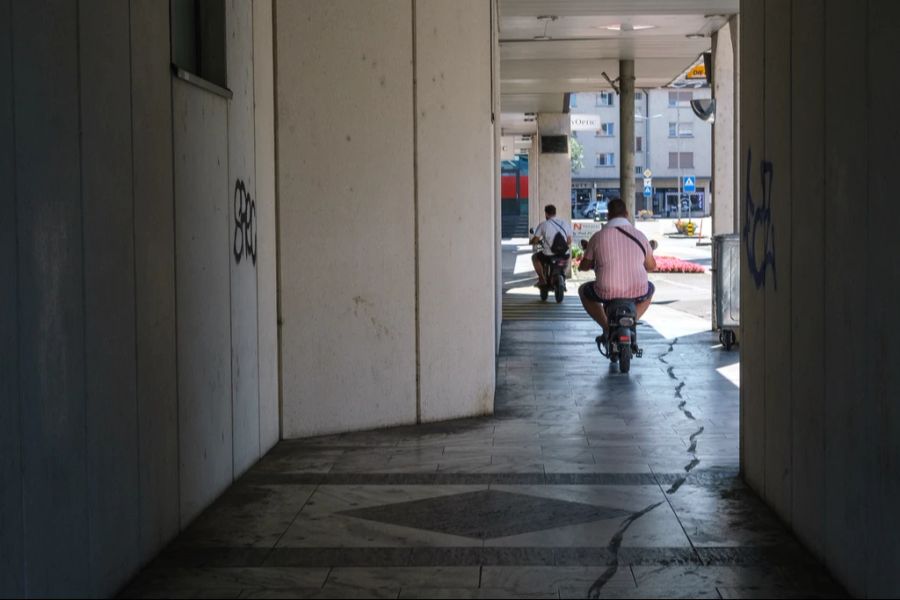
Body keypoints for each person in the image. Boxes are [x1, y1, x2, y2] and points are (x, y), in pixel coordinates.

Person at [578, 198, 656, 343]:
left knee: (583, 290)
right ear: (626, 213)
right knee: (650, 288)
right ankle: (632, 320)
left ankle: (606, 326)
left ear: (608, 215)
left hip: (606, 290)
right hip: (637, 289)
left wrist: (585, 265)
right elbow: (652, 266)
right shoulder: (640, 236)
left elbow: (585, 265)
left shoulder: (597, 237)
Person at [529, 204, 573, 287]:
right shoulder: (564, 223)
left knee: (535, 257)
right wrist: (560, 248)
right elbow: (569, 241)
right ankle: (562, 276)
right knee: (565, 260)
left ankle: (542, 279)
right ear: (555, 213)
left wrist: (531, 242)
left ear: (546, 214)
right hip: (564, 254)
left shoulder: (543, 225)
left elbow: (535, 240)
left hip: (549, 255)